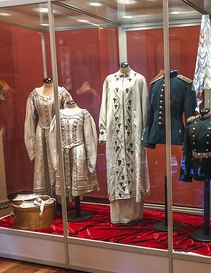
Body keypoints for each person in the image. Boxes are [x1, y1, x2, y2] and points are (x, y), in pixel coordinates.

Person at [99, 63, 150, 224]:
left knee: (135, 173)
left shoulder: (139, 79)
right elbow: (104, 106)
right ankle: (118, 215)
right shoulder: (109, 80)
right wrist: (103, 132)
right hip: (114, 137)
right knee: (115, 171)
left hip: (134, 138)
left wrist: (144, 134)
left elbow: (145, 109)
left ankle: (135, 214)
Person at [24, 77, 72, 196]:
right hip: (41, 133)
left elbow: (70, 115)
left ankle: (61, 198)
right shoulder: (34, 94)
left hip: (58, 133)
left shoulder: (62, 93)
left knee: (58, 163)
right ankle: (45, 199)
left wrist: (69, 138)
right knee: (42, 165)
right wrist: (31, 144)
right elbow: (29, 119)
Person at [49, 101, 99, 200]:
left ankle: (77, 202)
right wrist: (54, 160)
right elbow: (53, 138)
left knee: (78, 182)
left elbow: (89, 138)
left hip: (79, 151)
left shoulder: (84, 113)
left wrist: (91, 161)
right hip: (63, 152)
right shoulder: (58, 115)